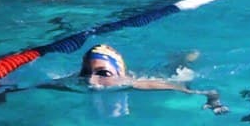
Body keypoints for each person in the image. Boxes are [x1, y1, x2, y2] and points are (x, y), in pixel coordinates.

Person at [77, 44, 228, 114]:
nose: (91, 80)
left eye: (103, 73)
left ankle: (184, 58)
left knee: (180, 72)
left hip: (168, 77)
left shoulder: (138, 84)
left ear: (120, 74)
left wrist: (214, 102)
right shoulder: (80, 82)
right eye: (86, 72)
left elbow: (206, 91)